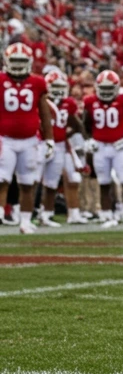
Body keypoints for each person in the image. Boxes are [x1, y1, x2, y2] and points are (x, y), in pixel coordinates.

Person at [0, 43, 53, 234]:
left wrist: (49, 139)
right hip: (4, 139)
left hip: (30, 140)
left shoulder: (37, 83)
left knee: (27, 182)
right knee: (2, 179)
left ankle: (25, 221)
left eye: (21, 61)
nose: (18, 64)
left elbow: (45, 113)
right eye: (14, 60)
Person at [83, 70, 123, 229]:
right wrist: (89, 140)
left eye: (110, 89)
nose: (107, 92)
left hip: (118, 147)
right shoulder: (90, 102)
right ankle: (107, 215)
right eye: (104, 88)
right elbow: (85, 124)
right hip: (100, 147)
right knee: (104, 183)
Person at [38, 68, 88, 226]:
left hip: (60, 145)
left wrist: (66, 135)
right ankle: (28, 212)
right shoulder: (42, 101)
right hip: (41, 143)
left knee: (53, 182)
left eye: (61, 87)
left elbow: (78, 125)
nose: (58, 91)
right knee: (32, 180)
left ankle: (51, 213)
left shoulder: (68, 104)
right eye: (55, 87)